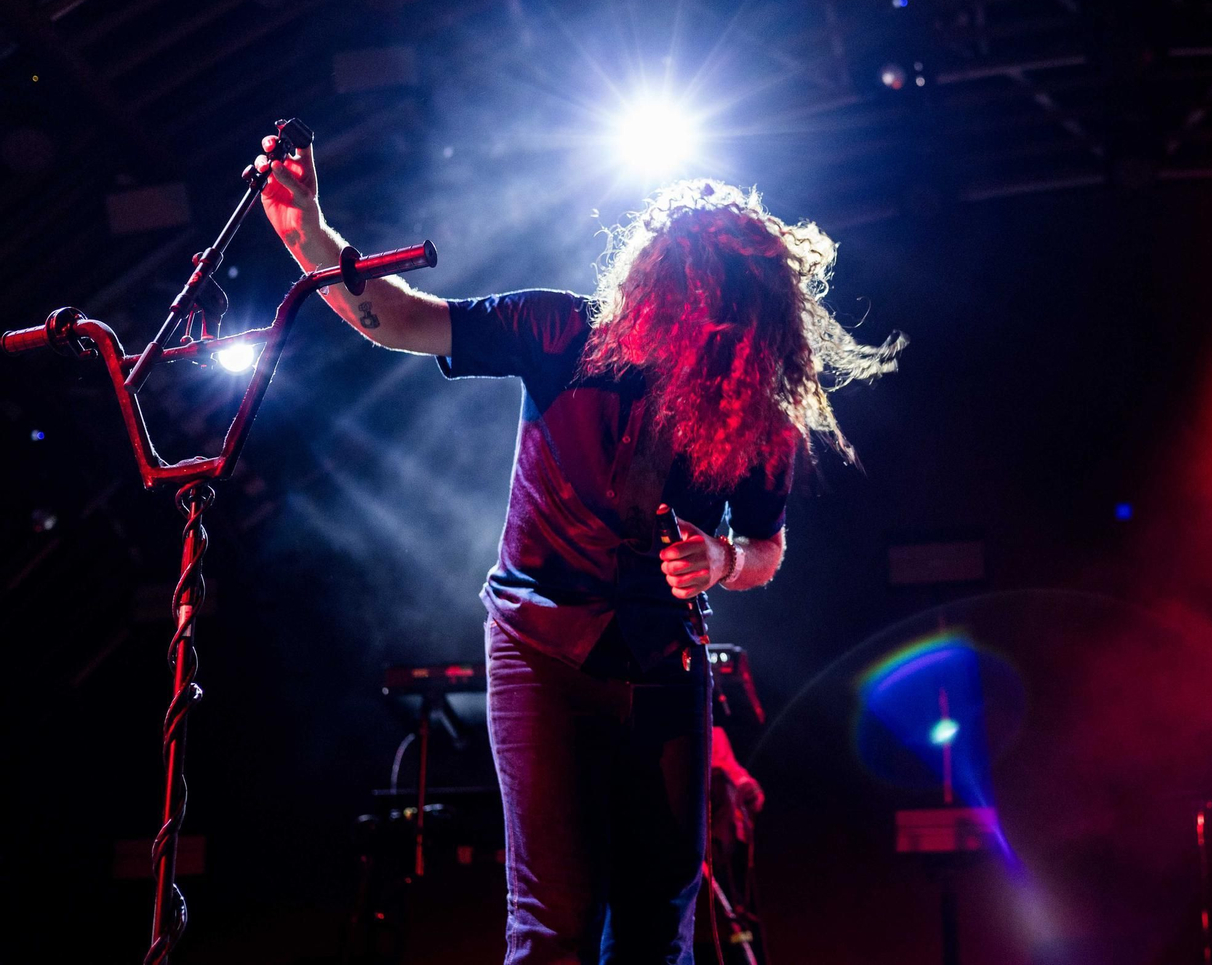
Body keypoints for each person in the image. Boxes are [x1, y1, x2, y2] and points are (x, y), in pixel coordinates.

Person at [256, 133, 901, 964]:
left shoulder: (754, 414)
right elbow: (407, 320)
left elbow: (767, 547)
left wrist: (723, 561)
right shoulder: (560, 331)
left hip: (663, 662)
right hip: (538, 649)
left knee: (658, 922)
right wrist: (312, 235)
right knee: (555, 923)